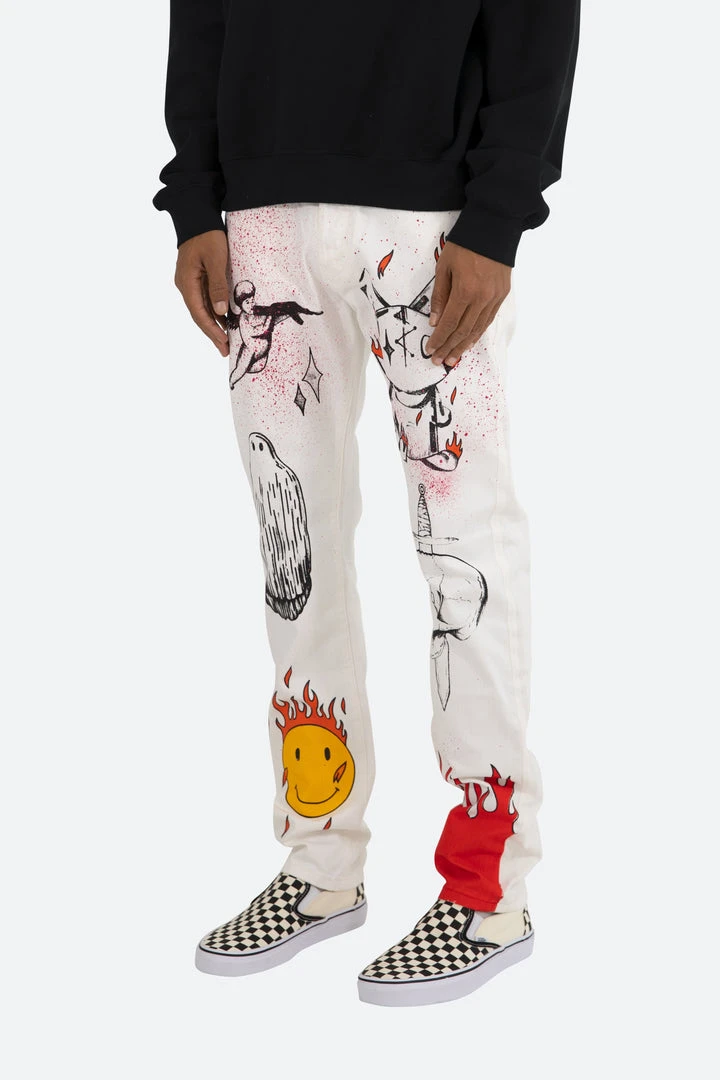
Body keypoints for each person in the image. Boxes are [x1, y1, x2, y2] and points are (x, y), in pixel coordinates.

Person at [154, 0, 580, 1007]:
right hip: (262, 219)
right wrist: (197, 200)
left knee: (465, 556)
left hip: (431, 219)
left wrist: (499, 212)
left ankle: (486, 893)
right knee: (293, 560)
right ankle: (320, 863)